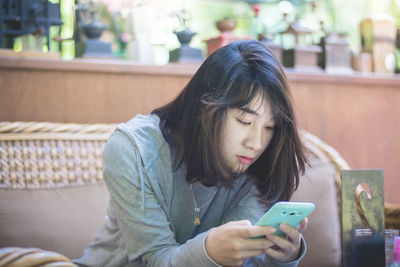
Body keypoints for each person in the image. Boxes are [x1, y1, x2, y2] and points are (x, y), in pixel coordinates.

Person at [74, 40, 308, 267]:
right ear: (206, 108)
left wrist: (281, 258)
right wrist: (209, 251)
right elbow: (155, 260)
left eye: (270, 128)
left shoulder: (262, 166)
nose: (256, 144)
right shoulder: (133, 150)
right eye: (244, 121)